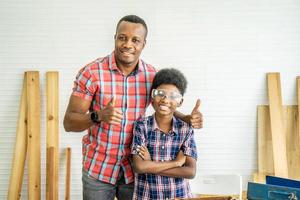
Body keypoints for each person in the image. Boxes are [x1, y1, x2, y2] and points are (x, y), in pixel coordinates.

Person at [63, 15, 203, 200]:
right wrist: (98, 116)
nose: (128, 44)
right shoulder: (91, 73)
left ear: (144, 44)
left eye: (135, 40)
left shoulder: (152, 76)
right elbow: (69, 123)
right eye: (122, 37)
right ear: (114, 38)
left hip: (135, 171)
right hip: (98, 168)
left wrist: (185, 118)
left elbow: (163, 104)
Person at [131, 68, 197, 200]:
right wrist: (176, 163)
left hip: (179, 196)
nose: (166, 99)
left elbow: (190, 171)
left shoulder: (186, 129)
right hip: (146, 196)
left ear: (180, 102)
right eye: (160, 93)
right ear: (152, 96)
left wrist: (150, 165)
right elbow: (139, 166)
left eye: (173, 96)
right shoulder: (141, 126)